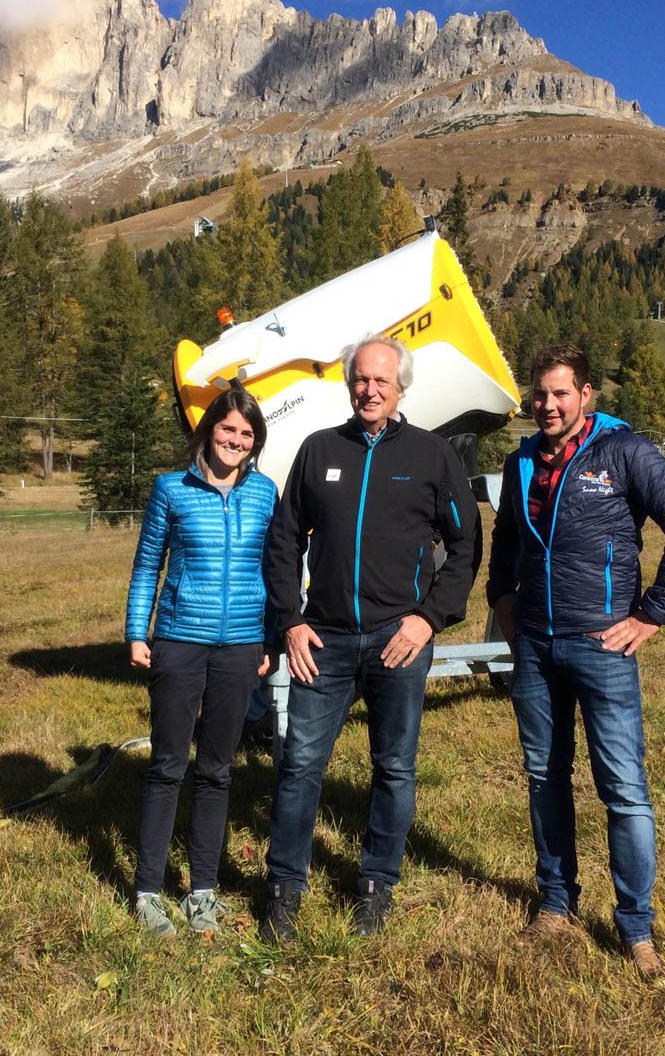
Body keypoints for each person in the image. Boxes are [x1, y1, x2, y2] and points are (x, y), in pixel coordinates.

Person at [486, 344, 665, 980]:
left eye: (561, 393)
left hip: (602, 645)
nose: (548, 405)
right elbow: (506, 539)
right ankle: (556, 904)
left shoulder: (624, 452)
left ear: (586, 396)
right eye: (540, 393)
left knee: (623, 790)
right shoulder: (522, 459)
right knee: (543, 776)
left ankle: (636, 928)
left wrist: (651, 613)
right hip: (534, 644)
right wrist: (502, 599)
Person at [260, 335, 481, 941]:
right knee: (301, 763)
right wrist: (290, 619)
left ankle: (378, 883)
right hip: (323, 641)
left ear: (401, 388)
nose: (370, 390)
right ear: (349, 383)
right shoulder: (319, 449)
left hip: (398, 638)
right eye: (361, 379)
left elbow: (466, 546)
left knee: (394, 766)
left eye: (382, 381)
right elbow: (284, 541)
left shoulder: (433, 455)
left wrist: (428, 617)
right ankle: (284, 885)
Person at [124, 388, 278, 937]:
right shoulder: (172, 489)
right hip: (178, 641)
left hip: (240, 646)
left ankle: (202, 893)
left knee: (217, 770)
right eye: (229, 429)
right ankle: (147, 893)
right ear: (208, 428)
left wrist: (270, 642)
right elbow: (147, 565)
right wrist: (136, 632)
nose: (237, 441)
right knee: (168, 765)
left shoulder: (265, 493)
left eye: (247, 434)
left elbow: (273, 570)